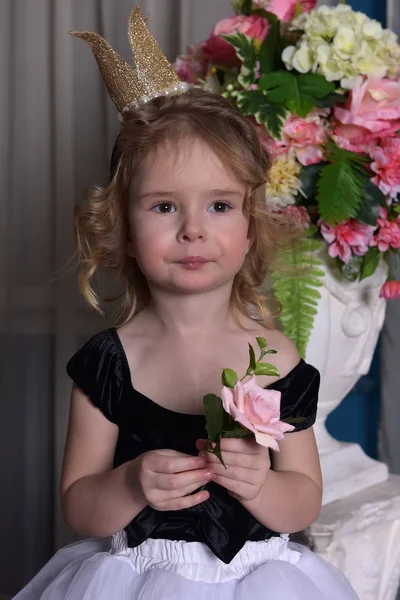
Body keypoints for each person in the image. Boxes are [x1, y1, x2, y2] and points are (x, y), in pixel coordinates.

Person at [13, 4, 359, 599]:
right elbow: (79, 503)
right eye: (165, 206)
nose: (193, 230)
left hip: (260, 579)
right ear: (121, 225)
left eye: (220, 206)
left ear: (251, 225)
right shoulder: (109, 361)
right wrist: (129, 484)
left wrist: (259, 486)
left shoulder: (273, 353)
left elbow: (303, 498)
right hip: (137, 577)